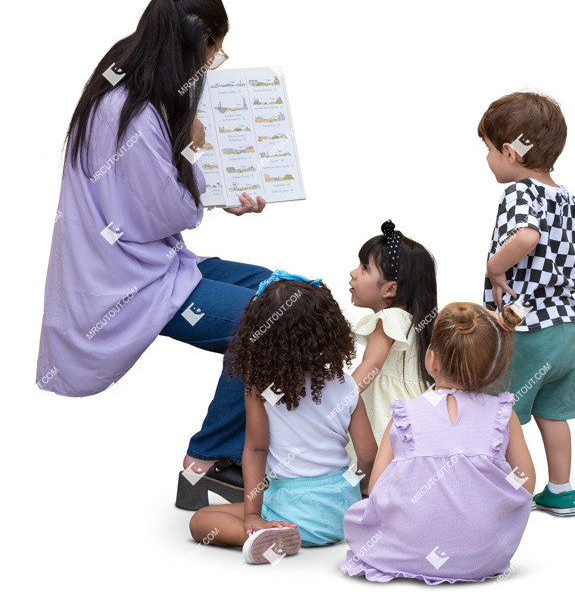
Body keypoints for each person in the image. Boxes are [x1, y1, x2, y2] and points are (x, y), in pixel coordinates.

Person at [34, 0, 274, 508]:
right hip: (130, 280)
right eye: (215, 50)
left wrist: (215, 188)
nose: (213, 63)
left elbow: (153, 197)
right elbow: (165, 210)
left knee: (288, 292)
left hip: (150, 261)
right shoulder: (136, 115)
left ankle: (261, 451)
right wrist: (192, 152)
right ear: (197, 42)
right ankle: (207, 462)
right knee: (263, 320)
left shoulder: (125, 76)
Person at [341, 302, 535, 584]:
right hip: (484, 556)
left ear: (432, 360)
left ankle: (402, 550)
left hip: (408, 548)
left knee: (357, 515)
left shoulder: (404, 416)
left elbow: (376, 487)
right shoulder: (504, 414)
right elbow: (526, 482)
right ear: (495, 366)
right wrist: (488, 498)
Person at [189, 274, 378, 563]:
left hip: (289, 509)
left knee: (201, 520)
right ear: (329, 331)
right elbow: (367, 454)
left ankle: (261, 536)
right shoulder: (346, 385)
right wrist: (365, 497)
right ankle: (281, 533)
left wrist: (253, 514)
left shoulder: (260, 388)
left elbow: (255, 449)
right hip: (341, 510)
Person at [479, 92, 575, 516]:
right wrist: (558, 266)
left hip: (526, 329)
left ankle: (503, 489)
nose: (489, 159)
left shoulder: (519, 193)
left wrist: (496, 269)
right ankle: (561, 490)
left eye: (489, 150)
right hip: (565, 329)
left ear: (510, 152)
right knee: (554, 413)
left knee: (500, 411)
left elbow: (527, 237)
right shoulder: (567, 198)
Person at [348, 220, 437, 445]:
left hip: (386, 415)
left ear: (390, 289)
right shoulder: (416, 323)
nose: (353, 272)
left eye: (364, 268)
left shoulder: (389, 318)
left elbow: (372, 364)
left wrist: (339, 401)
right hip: (418, 414)